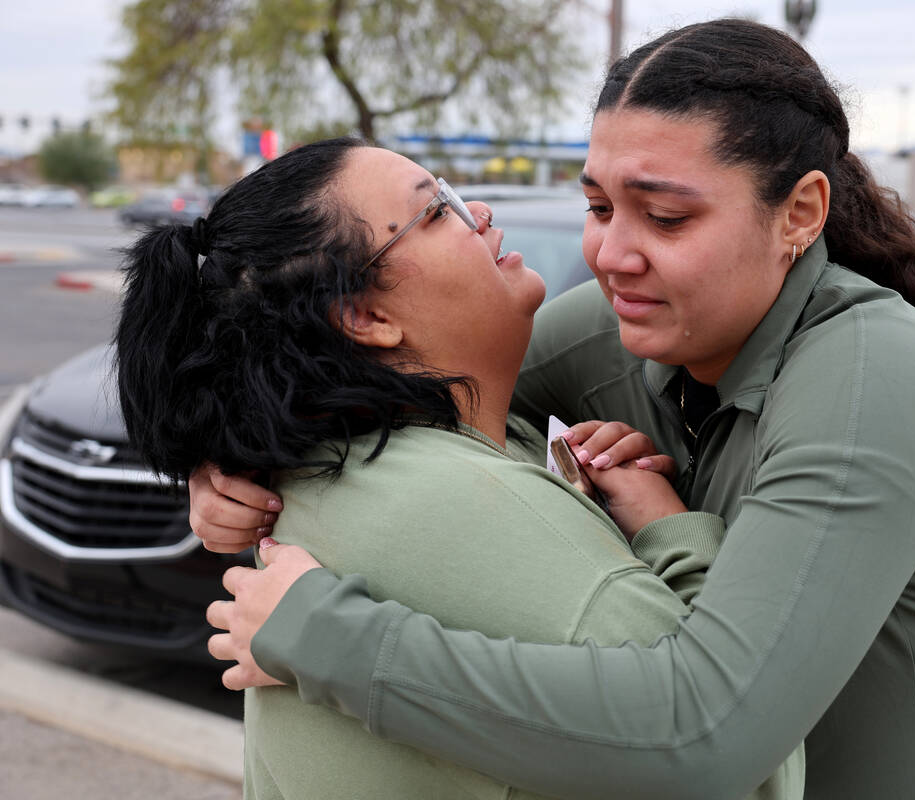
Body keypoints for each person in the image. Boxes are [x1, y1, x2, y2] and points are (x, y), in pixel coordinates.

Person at [194, 18, 915, 800]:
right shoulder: (622, 323)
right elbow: (417, 391)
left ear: (800, 214)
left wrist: (325, 638)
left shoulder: (870, 378)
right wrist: (234, 465)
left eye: (665, 217)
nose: (610, 254)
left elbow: (710, 731)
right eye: (598, 207)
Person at [116, 137, 804, 799]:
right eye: (436, 209)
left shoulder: (347, 461)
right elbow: (750, 767)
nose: (479, 214)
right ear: (365, 315)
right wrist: (669, 530)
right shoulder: (459, 507)